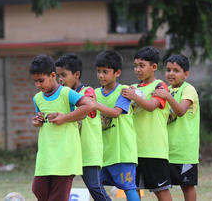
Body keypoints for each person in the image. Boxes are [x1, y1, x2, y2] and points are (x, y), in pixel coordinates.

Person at [29, 54, 94, 201]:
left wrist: (65, 117)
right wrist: (37, 121)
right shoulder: (37, 98)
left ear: (53, 75)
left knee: (57, 197)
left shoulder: (66, 93)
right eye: (35, 82)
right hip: (46, 155)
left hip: (65, 154)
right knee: (38, 189)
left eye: (41, 80)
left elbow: (89, 105)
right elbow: (40, 120)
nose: (38, 85)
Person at [55, 53, 109, 201]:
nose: (60, 79)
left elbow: (85, 113)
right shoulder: (63, 95)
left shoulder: (87, 92)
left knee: (95, 187)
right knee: (59, 188)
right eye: (58, 76)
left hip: (88, 150)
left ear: (77, 74)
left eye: (64, 75)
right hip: (70, 150)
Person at [121, 46, 172, 201]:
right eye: (135, 66)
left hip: (154, 150)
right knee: (133, 190)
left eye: (141, 66)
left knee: (161, 191)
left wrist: (134, 97)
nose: (137, 69)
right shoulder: (133, 88)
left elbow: (150, 106)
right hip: (134, 150)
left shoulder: (160, 86)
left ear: (154, 67)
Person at [152, 54, 200, 201]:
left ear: (186, 74)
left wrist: (167, 96)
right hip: (166, 150)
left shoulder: (188, 89)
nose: (171, 73)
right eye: (168, 70)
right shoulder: (164, 90)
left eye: (176, 70)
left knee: (187, 185)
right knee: (161, 186)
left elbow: (180, 111)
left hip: (184, 150)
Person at [94, 50, 139, 201]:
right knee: (95, 185)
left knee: (128, 187)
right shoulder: (94, 94)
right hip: (102, 154)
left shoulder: (124, 91)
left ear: (117, 72)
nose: (101, 75)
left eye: (105, 72)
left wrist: (94, 105)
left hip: (122, 153)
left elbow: (115, 112)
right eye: (99, 71)